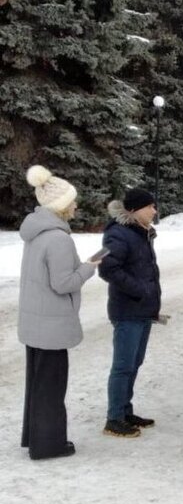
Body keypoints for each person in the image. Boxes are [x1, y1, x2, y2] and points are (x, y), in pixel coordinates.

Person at [18, 165, 99, 460]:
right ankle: (49, 445)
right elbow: (63, 283)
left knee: (37, 385)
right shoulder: (58, 238)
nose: (76, 205)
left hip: (36, 323)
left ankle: (35, 439)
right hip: (51, 326)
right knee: (52, 388)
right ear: (61, 206)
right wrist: (90, 267)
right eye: (72, 201)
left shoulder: (36, 233)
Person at [98, 188, 161, 438]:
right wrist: (139, 290)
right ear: (134, 210)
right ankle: (114, 418)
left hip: (143, 309)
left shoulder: (142, 233)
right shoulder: (119, 234)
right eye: (150, 207)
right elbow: (107, 269)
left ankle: (125, 410)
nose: (154, 211)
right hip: (127, 310)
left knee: (134, 363)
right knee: (123, 366)